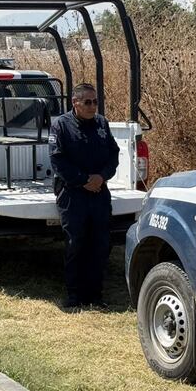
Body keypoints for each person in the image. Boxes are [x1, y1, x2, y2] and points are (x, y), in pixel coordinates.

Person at [49, 83, 120, 310]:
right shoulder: (61, 126)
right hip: (73, 194)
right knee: (75, 243)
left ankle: (96, 297)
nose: (92, 106)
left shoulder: (101, 124)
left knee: (100, 244)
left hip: (99, 192)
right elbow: (58, 161)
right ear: (75, 103)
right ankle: (73, 297)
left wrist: (101, 176)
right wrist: (83, 180)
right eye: (87, 102)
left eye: (95, 102)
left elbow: (114, 154)